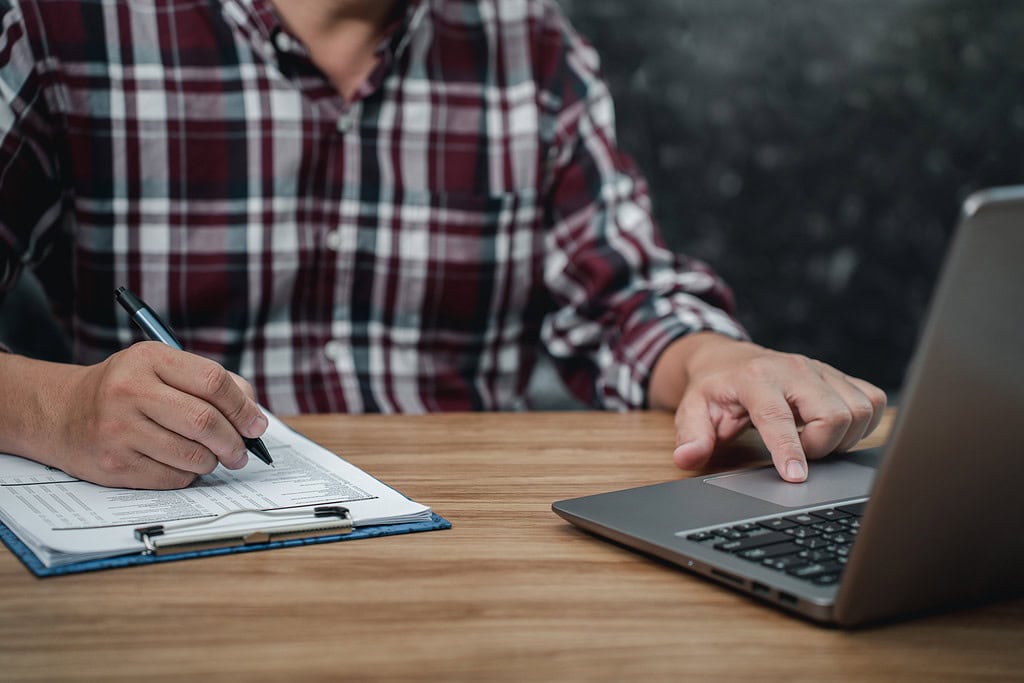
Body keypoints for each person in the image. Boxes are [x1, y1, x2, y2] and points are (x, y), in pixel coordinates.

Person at [0, 0, 885, 490]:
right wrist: (58, 409)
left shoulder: (529, 42)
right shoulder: (59, 25)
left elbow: (625, 298)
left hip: (467, 542)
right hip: (179, 543)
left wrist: (719, 361)